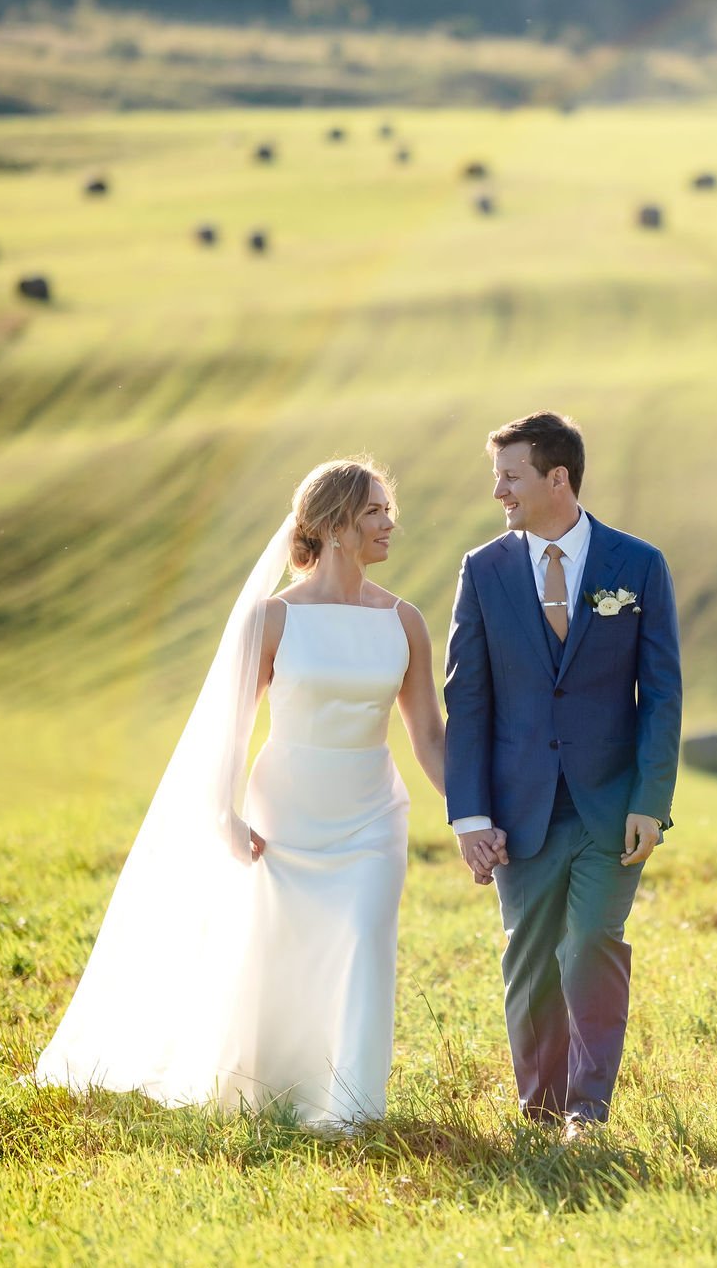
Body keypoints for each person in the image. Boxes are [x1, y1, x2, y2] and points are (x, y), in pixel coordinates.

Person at [32, 458, 452, 1131]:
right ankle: (268, 1091)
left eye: (386, 509)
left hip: (373, 815)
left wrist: (472, 814)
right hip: (286, 814)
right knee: (279, 952)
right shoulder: (274, 619)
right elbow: (229, 726)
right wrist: (222, 812)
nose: (388, 522)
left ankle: (350, 1109)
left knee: (365, 940)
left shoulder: (405, 621)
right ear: (337, 525)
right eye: (374, 510)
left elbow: (429, 734)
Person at [443, 411, 682, 1139]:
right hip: (519, 807)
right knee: (529, 955)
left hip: (611, 804)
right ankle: (539, 1110)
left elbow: (662, 692)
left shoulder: (637, 564)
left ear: (558, 478)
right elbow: (468, 697)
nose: (499, 492)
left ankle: (587, 1110)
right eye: (498, 478)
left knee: (590, 944)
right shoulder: (482, 570)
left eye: (510, 476)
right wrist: (471, 816)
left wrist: (651, 800)